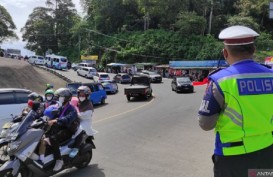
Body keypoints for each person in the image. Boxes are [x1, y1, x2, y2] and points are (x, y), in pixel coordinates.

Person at [198, 25, 273, 177]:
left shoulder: (220, 80)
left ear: (225, 53)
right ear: (254, 50)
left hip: (232, 157)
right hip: (267, 153)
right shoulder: (270, 76)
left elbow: (205, 124)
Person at [47, 88, 79, 171]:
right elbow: (52, 114)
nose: (58, 99)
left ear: (66, 98)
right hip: (59, 126)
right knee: (44, 134)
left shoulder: (72, 109)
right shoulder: (59, 107)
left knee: (53, 138)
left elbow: (68, 119)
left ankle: (59, 160)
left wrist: (56, 120)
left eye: (60, 97)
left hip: (68, 129)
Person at [69, 86, 97, 158]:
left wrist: (77, 114)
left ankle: (75, 148)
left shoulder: (88, 105)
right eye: (80, 95)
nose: (81, 96)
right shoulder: (77, 102)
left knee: (79, 130)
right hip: (77, 119)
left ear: (87, 96)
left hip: (85, 122)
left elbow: (86, 116)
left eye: (83, 95)